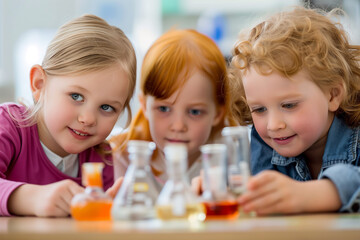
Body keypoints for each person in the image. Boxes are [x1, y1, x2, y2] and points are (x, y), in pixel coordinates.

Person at [0, 14, 137, 217]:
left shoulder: (101, 159)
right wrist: (32, 198)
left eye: (107, 107)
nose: (88, 119)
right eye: (76, 96)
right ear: (39, 84)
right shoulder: (9, 125)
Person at [229, 6, 360, 215]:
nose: (273, 125)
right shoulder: (263, 142)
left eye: (289, 105)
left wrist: (316, 194)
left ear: (333, 95)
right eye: (259, 109)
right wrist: (221, 188)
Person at [110, 29, 237, 187]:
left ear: (218, 113)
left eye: (195, 112)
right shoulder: (120, 155)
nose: (178, 126)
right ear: (144, 106)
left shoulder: (232, 157)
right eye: (163, 109)